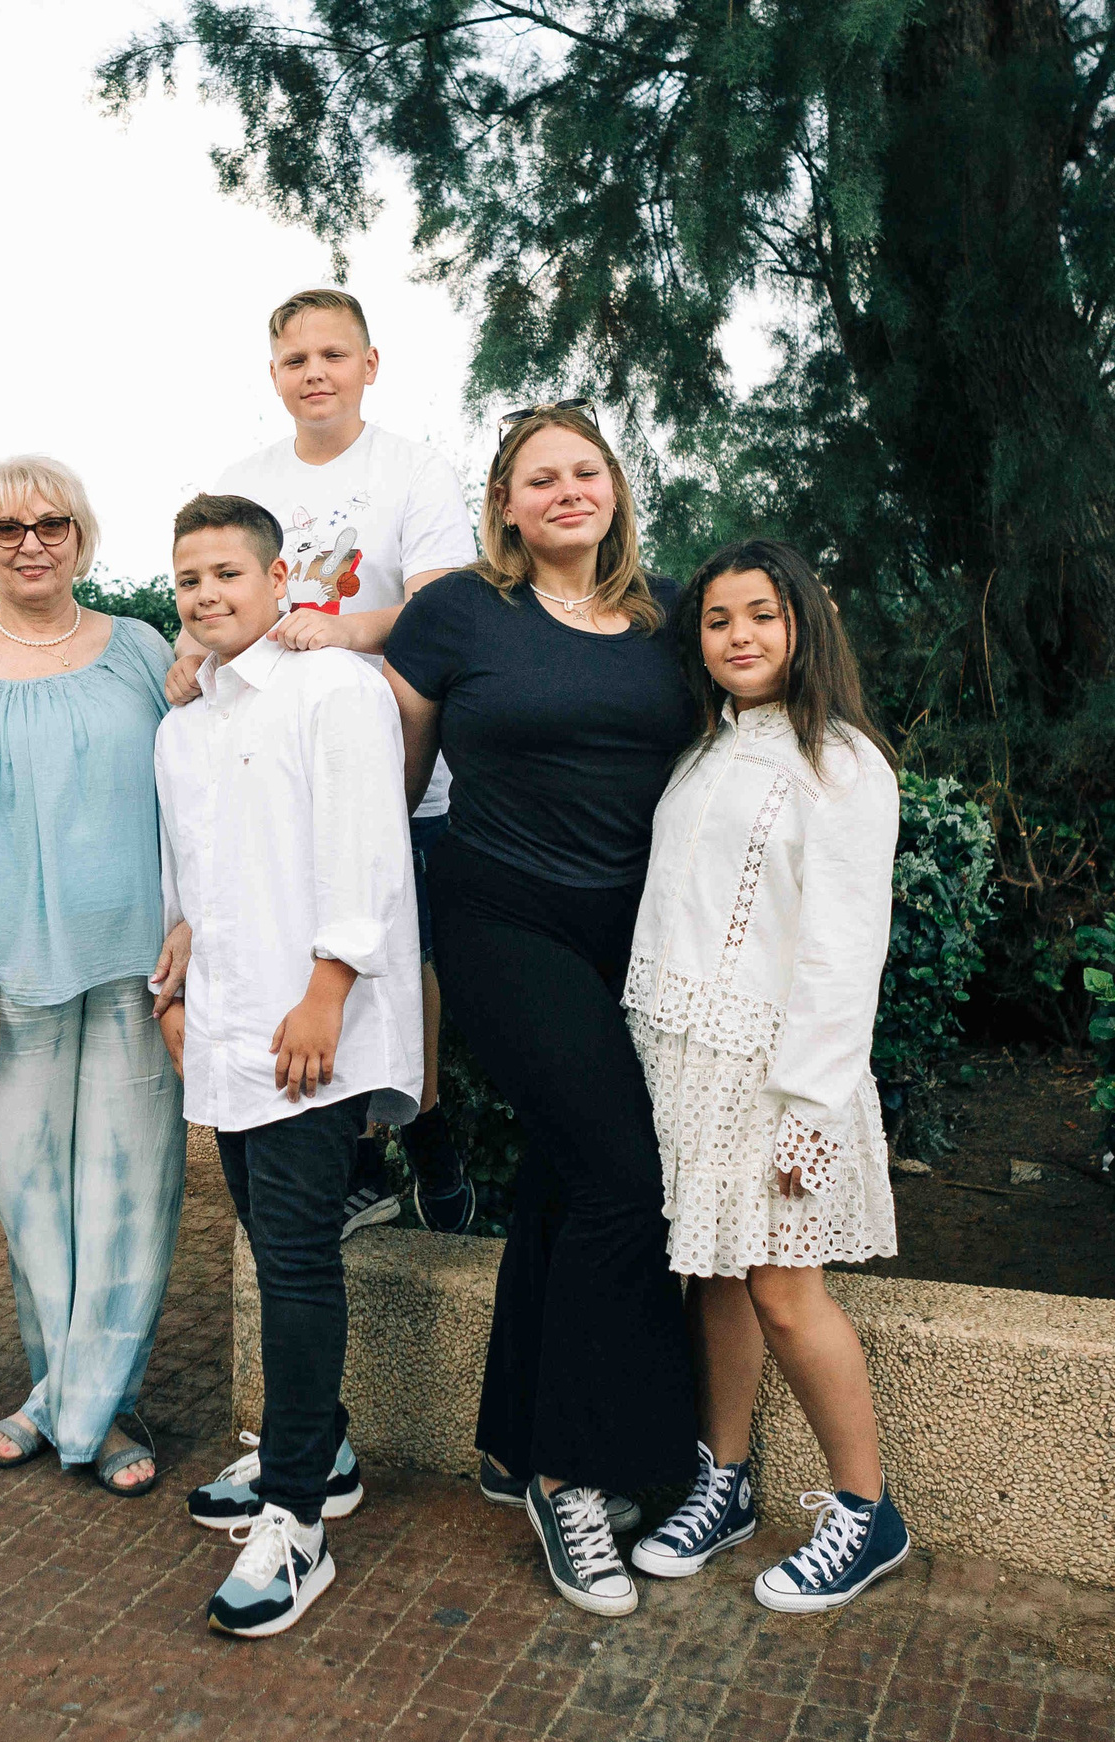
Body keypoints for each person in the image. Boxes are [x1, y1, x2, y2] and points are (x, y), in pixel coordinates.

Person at [382, 405, 695, 1617]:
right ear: (504, 505)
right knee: (625, 1175)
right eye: (536, 478)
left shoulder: (669, 614)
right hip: (500, 915)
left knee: (568, 1181)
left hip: (634, 929)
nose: (564, 491)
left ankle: (514, 1435)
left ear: (614, 488)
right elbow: (393, 782)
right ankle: (571, 1478)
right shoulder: (459, 612)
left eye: (584, 471)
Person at [621, 539, 912, 1613]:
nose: (739, 635)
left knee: (786, 1292)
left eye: (762, 613)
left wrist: (809, 1104)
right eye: (717, 619)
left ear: (803, 625)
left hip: (777, 1073)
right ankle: (726, 1479)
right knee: (713, 1274)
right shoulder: (705, 746)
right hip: (685, 1052)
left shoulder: (841, 761)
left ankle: (864, 1509)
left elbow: (842, 949)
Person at [154, 492, 422, 1638]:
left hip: (311, 1024)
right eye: (188, 580)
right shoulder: (183, 724)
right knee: (268, 1243)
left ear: (275, 581)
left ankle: (297, 1516)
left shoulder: (332, 688)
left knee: (301, 1262)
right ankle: (330, 1447)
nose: (207, 595)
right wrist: (175, 955)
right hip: (224, 1025)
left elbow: (365, 848)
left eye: (226, 573)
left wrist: (328, 987)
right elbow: (195, 867)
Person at [169, 287, 478, 1239]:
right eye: (296, 359)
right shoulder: (248, 474)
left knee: (399, 942)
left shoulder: (414, 471)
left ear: (370, 366)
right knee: (283, 927)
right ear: (274, 376)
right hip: (275, 751)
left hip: (393, 745)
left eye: (334, 356)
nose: (315, 374)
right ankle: (342, 1164)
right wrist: (195, 661)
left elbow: (440, 611)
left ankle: (431, 1147)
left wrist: (338, 630)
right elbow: (219, 588)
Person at [0, 455, 185, 1497]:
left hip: (135, 968)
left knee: (127, 1196)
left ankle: (92, 1409)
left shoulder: (143, 650)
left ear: (82, 534)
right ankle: (67, 1390)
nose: (31, 542)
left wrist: (195, 927)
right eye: (6, 528)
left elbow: (198, 791)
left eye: (52, 523)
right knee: (33, 1199)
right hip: (3, 977)